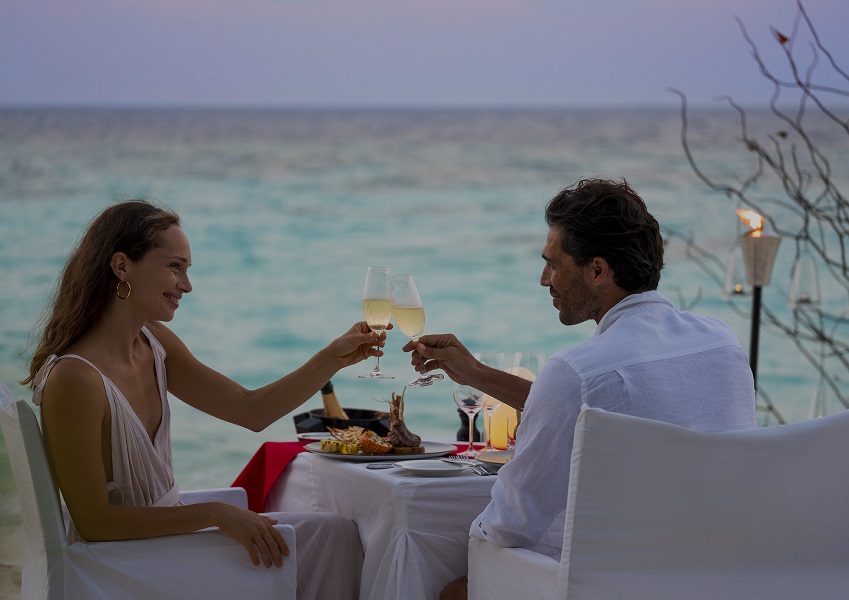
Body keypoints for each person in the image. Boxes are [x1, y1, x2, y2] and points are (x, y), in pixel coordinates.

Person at [404, 178, 757, 599]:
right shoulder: (722, 342)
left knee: (436, 571)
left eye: (553, 264)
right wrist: (477, 374)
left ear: (597, 270)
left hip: (615, 584)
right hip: (716, 574)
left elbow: (510, 522)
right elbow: (592, 401)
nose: (543, 279)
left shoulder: (577, 371)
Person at [22, 199, 377, 599]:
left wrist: (334, 357)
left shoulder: (155, 343)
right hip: (126, 565)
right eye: (175, 267)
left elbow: (251, 410)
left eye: (187, 270)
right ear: (122, 267)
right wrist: (214, 514)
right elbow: (93, 522)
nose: (186, 285)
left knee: (336, 532)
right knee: (329, 539)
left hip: (168, 543)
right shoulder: (76, 378)